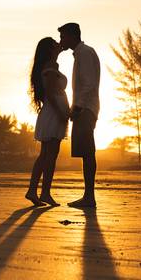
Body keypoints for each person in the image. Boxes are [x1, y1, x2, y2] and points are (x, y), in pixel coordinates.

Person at [58, 22, 100, 208]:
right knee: (86, 152)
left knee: (88, 152)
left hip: (85, 109)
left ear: (72, 36)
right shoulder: (81, 53)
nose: (61, 41)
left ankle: (89, 197)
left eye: (63, 37)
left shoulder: (84, 53)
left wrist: (77, 108)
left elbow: (89, 84)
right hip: (85, 108)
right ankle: (88, 195)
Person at [26, 37, 71, 206]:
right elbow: (52, 94)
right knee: (50, 155)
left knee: (46, 155)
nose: (59, 44)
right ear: (51, 49)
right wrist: (61, 113)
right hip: (53, 114)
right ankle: (44, 192)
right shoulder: (51, 67)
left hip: (51, 113)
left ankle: (33, 190)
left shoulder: (48, 66)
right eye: (55, 43)